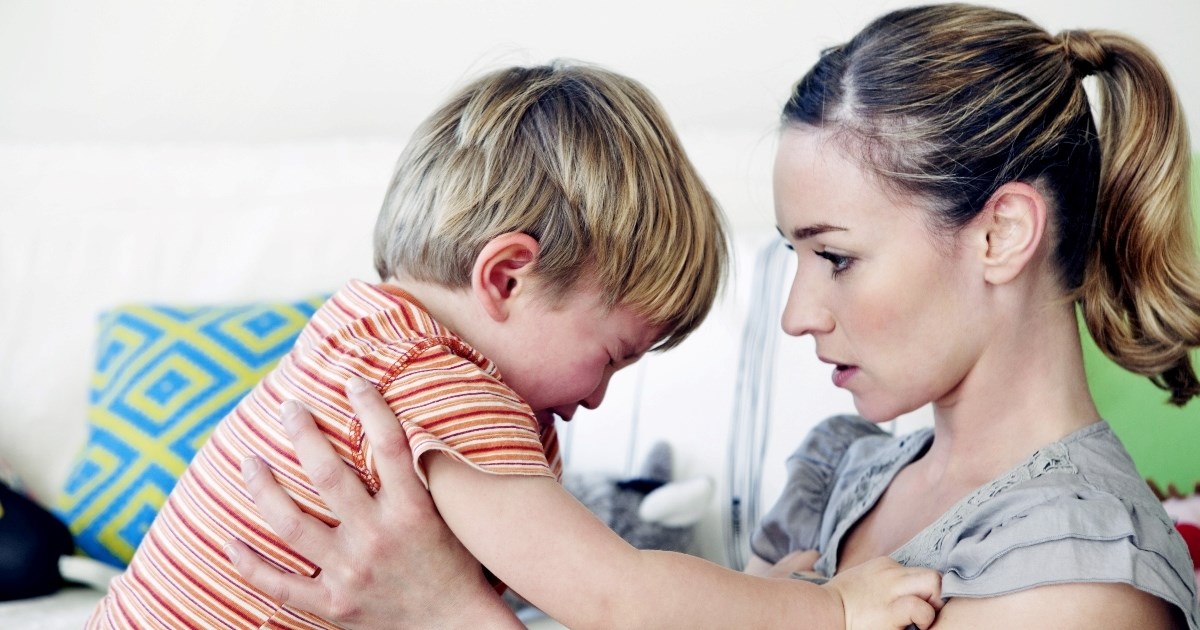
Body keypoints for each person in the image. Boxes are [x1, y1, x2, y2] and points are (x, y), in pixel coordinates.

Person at [225, 3, 1200, 628]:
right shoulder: (848, 475)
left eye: (835, 257)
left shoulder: (1081, 584)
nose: (796, 314)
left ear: (1002, 235)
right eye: (795, 258)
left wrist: (443, 616)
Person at [89, 61, 943, 629]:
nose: (597, 398)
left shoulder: (364, 336)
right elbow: (612, 596)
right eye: (612, 356)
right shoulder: (439, 380)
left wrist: (748, 606)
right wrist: (829, 611)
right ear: (506, 278)